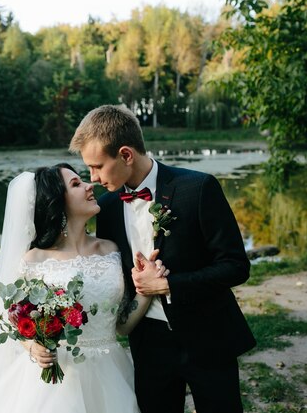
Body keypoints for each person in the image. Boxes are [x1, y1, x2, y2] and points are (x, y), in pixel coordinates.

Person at [69, 105, 256, 413]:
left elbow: (236, 266)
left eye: (98, 166)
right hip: (149, 345)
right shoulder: (109, 207)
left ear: (126, 155)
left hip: (207, 336)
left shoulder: (198, 189)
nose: (93, 178)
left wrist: (169, 284)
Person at [0, 164, 153, 413]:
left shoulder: (111, 251)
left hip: (111, 372)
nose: (90, 186)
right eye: (76, 184)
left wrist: (146, 289)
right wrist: (33, 346)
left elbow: (121, 326)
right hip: (56, 380)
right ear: (57, 202)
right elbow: (14, 320)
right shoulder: (34, 261)